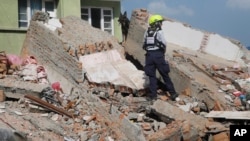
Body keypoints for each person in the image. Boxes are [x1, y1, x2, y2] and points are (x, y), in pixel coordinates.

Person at [143, 14, 179, 101]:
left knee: (151, 76)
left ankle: (153, 96)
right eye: (160, 22)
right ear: (156, 23)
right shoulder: (159, 32)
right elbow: (164, 43)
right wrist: (162, 53)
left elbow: (144, 43)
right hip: (158, 55)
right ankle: (173, 93)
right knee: (164, 74)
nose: (161, 24)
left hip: (149, 56)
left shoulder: (147, 32)